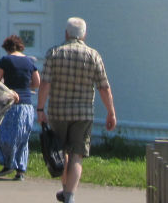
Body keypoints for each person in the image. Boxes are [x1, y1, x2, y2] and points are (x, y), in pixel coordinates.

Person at [36, 17, 117, 203]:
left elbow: (45, 83)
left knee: (60, 151)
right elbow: (104, 87)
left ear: (66, 33)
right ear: (84, 35)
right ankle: (70, 195)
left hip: (58, 112)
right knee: (77, 154)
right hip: (83, 113)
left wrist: (40, 108)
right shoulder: (93, 55)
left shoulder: (54, 53)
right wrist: (111, 112)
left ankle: (66, 191)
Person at [0, 35, 41, 180]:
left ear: (7, 47)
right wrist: (26, 87)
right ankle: (20, 171)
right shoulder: (29, 61)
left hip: (11, 105)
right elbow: (37, 83)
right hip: (27, 106)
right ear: (20, 46)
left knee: (3, 134)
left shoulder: (5, 60)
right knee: (23, 139)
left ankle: (9, 163)